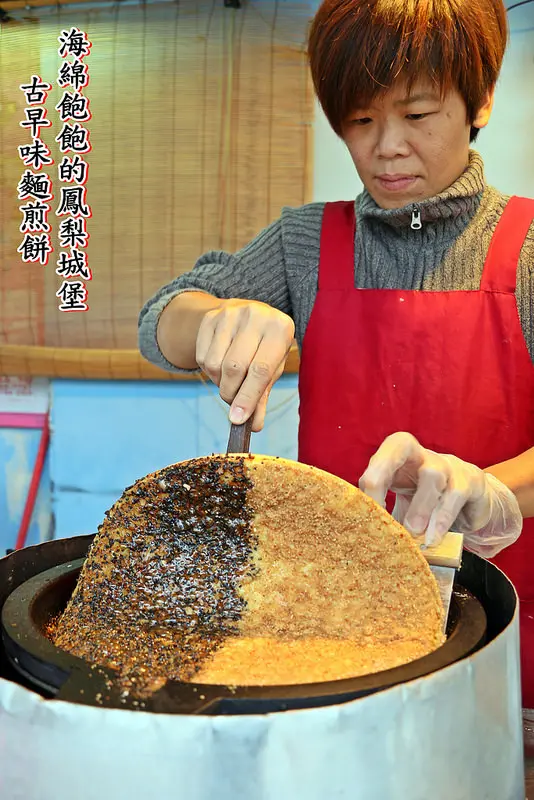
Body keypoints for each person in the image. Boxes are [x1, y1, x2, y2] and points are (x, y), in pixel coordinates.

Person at [139, 0, 534, 706]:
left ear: (481, 101)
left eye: (417, 116)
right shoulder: (305, 243)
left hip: (503, 629)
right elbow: (163, 318)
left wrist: (491, 488)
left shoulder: (529, 251)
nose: (386, 146)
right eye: (359, 120)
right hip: (333, 631)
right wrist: (211, 320)